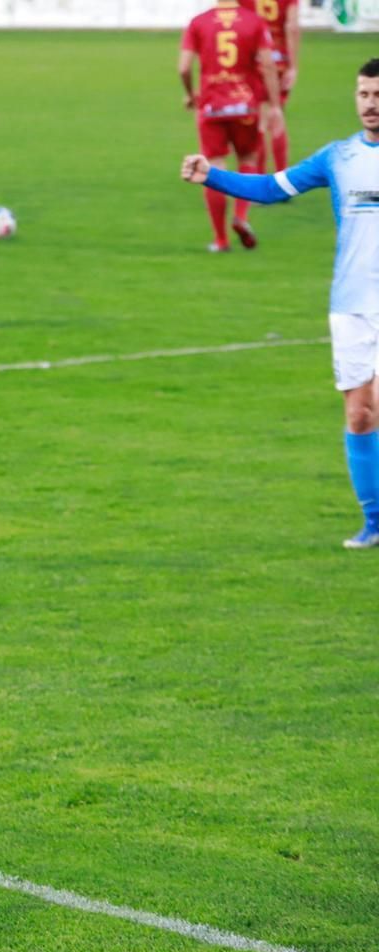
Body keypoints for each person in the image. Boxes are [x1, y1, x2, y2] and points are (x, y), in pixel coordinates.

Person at [181, 59, 379, 547]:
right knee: (360, 413)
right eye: (364, 94)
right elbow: (271, 188)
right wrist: (213, 175)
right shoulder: (339, 157)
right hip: (352, 302)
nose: (371, 104)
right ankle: (374, 523)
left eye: (378, 95)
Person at [180, 0, 282, 251]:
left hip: (212, 105)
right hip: (245, 105)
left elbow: (183, 67)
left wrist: (190, 92)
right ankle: (241, 216)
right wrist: (275, 105)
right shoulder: (254, 21)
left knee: (212, 166)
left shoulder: (199, 21)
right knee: (248, 158)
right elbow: (268, 64)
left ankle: (221, 239)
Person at [248, 0, 300, 171]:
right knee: (278, 115)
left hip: (256, 61)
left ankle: (260, 177)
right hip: (280, 60)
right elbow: (291, 26)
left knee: (261, 120)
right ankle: (282, 176)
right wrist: (293, 66)